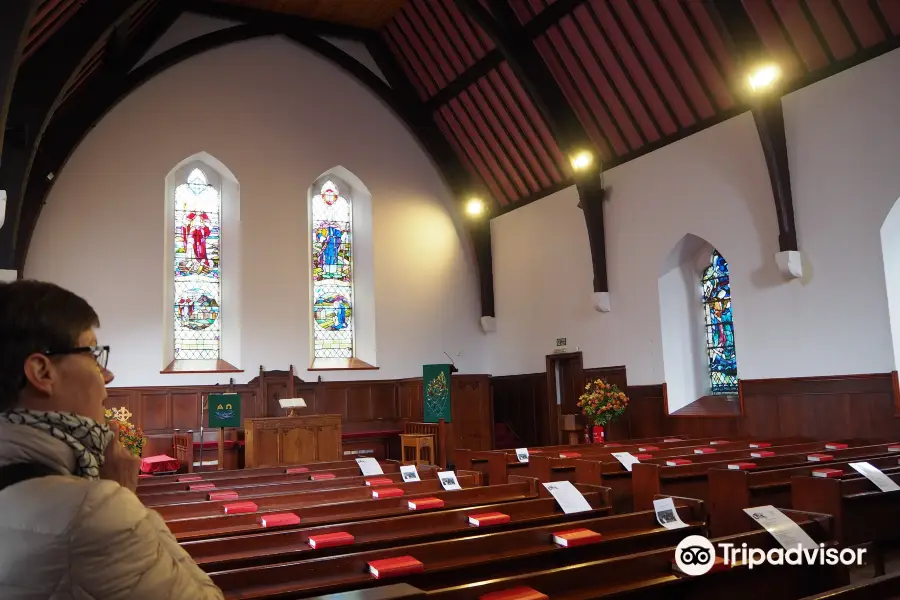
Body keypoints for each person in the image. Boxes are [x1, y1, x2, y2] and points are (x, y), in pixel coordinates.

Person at [0, 280, 224, 599]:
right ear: (42, 372)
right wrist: (121, 495)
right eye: (92, 354)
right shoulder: (92, 511)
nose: (107, 375)